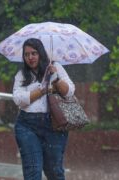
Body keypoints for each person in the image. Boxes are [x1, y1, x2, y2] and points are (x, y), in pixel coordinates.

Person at [12, 38, 75, 180]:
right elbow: (18, 99)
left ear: (41, 53)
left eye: (34, 53)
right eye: (26, 54)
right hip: (27, 126)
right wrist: (42, 90)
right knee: (33, 171)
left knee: (55, 172)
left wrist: (56, 77)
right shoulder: (22, 75)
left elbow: (69, 92)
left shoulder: (56, 67)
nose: (30, 57)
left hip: (54, 125)